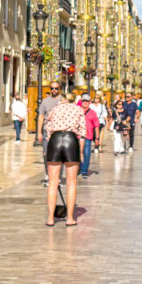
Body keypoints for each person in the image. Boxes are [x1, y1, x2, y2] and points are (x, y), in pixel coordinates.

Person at [43, 94, 87, 226]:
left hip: (55, 141)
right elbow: (83, 132)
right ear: (75, 101)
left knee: (53, 182)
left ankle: (50, 218)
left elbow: (47, 128)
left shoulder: (54, 109)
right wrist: (80, 152)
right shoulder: (78, 110)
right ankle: (70, 218)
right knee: (71, 182)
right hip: (70, 140)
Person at [79, 93, 100, 176]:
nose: (85, 102)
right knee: (76, 153)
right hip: (77, 135)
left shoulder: (93, 113)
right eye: (83, 100)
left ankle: (84, 170)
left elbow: (96, 126)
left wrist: (97, 138)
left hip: (88, 136)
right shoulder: (77, 111)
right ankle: (78, 168)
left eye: (87, 101)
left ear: (89, 102)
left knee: (86, 153)